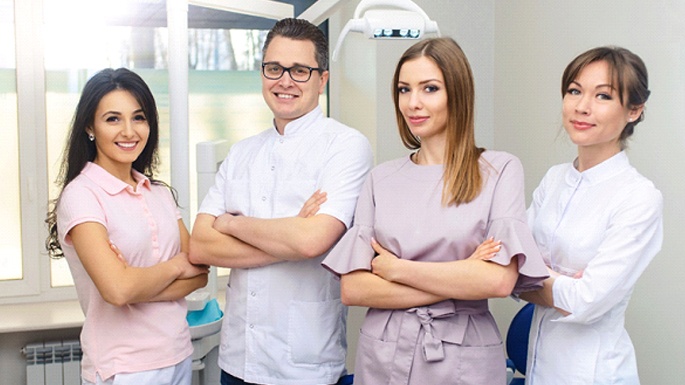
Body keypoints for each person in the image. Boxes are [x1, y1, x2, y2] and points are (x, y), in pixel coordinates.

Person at [321, 37, 549, 385]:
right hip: (384, 351)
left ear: (456, 93)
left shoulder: (499, 169)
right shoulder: (379, 179)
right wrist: (463, 274)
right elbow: (354, 290)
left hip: (464, 353)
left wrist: (396, 269)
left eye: (429, 89)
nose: (413, 103)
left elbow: (498, 280)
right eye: (403, 89)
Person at [188, 18, 373, 385]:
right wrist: (289, 235)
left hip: (304, 365)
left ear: (322, 79)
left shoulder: (346, 146)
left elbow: (311, 241)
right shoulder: (242, 153)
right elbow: (199, 245)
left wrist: (231, 224)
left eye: (300, 70)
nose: (284, 80)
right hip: (238, 359)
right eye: (274, 68)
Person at [45, 68, 209, 385]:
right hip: (123, 368)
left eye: (138, 117)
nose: (129, 131)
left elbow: (200, 272)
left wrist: (137, 282)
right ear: (90, 127)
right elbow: (117, 291)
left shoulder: (159, 192)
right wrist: (176, 266)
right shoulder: (81, 196)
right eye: (113, 119)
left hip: (177, 354)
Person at [521, 46, 663, 384]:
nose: (582, 107)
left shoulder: (639, 197)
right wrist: (562, 282)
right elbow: (506, 267)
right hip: (539, 367)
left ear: (634, 111)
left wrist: (532, 275)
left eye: (603, 96)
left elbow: (586, 303)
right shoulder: (554, 178)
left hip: (597, 372)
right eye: (574, 91)